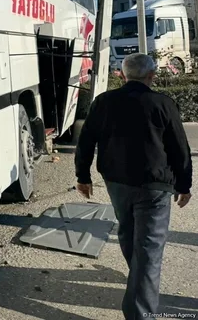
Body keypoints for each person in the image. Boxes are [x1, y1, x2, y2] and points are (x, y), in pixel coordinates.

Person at [75, 53, 193, 320]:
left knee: (129, 235)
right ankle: (140, 312)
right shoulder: (162, 103)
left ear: (122, 74)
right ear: (151, 76)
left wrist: (83, 176)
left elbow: (86, 141)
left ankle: (139, 284)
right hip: (154, 186)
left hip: (116, 182)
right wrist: (184, 184)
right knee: (149, 249)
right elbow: (179, 149)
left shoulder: (103, 102)